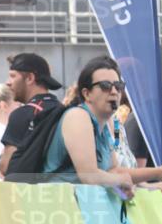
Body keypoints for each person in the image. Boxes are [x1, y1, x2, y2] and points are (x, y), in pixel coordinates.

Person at [42, 56, 135, 197]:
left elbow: (114, 170)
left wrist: (154, 179)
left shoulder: (105, 122)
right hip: (58, 207)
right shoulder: (78, 117)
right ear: (87, 93)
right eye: (105, 85)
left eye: (118, 85)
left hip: (81, 207)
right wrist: (121, 181)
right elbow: (89, 175)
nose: (114, 91)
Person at [0, 53, 62, 176]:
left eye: (12, 76)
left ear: (30, 78)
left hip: (29, 193)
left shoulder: (22, 114)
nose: (8, 82)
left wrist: (1, 158)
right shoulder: (63, 110)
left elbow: (5, 166)